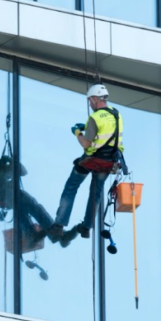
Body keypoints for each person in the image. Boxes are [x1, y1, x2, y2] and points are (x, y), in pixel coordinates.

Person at [49, 83, 125, 242]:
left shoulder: (95, 117)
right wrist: (88, 126)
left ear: (96, 99)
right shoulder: (117, 115)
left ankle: (59, 225)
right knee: (96, 193)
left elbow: (86, 143)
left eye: (90, 101)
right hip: (110, 161)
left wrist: (77, 132)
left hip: (92, 159)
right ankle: (87, 228)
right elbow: (107, 132)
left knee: (72, 186)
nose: (90, 104)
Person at [0, 136, 56, 246]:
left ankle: (47, 232)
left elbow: (23, 172)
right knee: (22, 201)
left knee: (29, 205)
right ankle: (40, 233)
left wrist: (13, 162)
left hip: (9, 192)